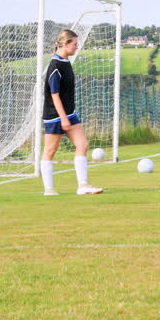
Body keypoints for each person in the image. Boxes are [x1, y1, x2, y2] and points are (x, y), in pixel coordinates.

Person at [41, 29, 103, 196]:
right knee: (50, 151)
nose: (77, 47)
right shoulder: (55, 66)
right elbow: (54, 95)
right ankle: (49, 189)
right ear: (65, 44)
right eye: (75, 44)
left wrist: (68, 116)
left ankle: (83, 185)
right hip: (55, 115)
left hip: (70, 113)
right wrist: (63, 118)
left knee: (82, 144)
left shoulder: (66, 62)